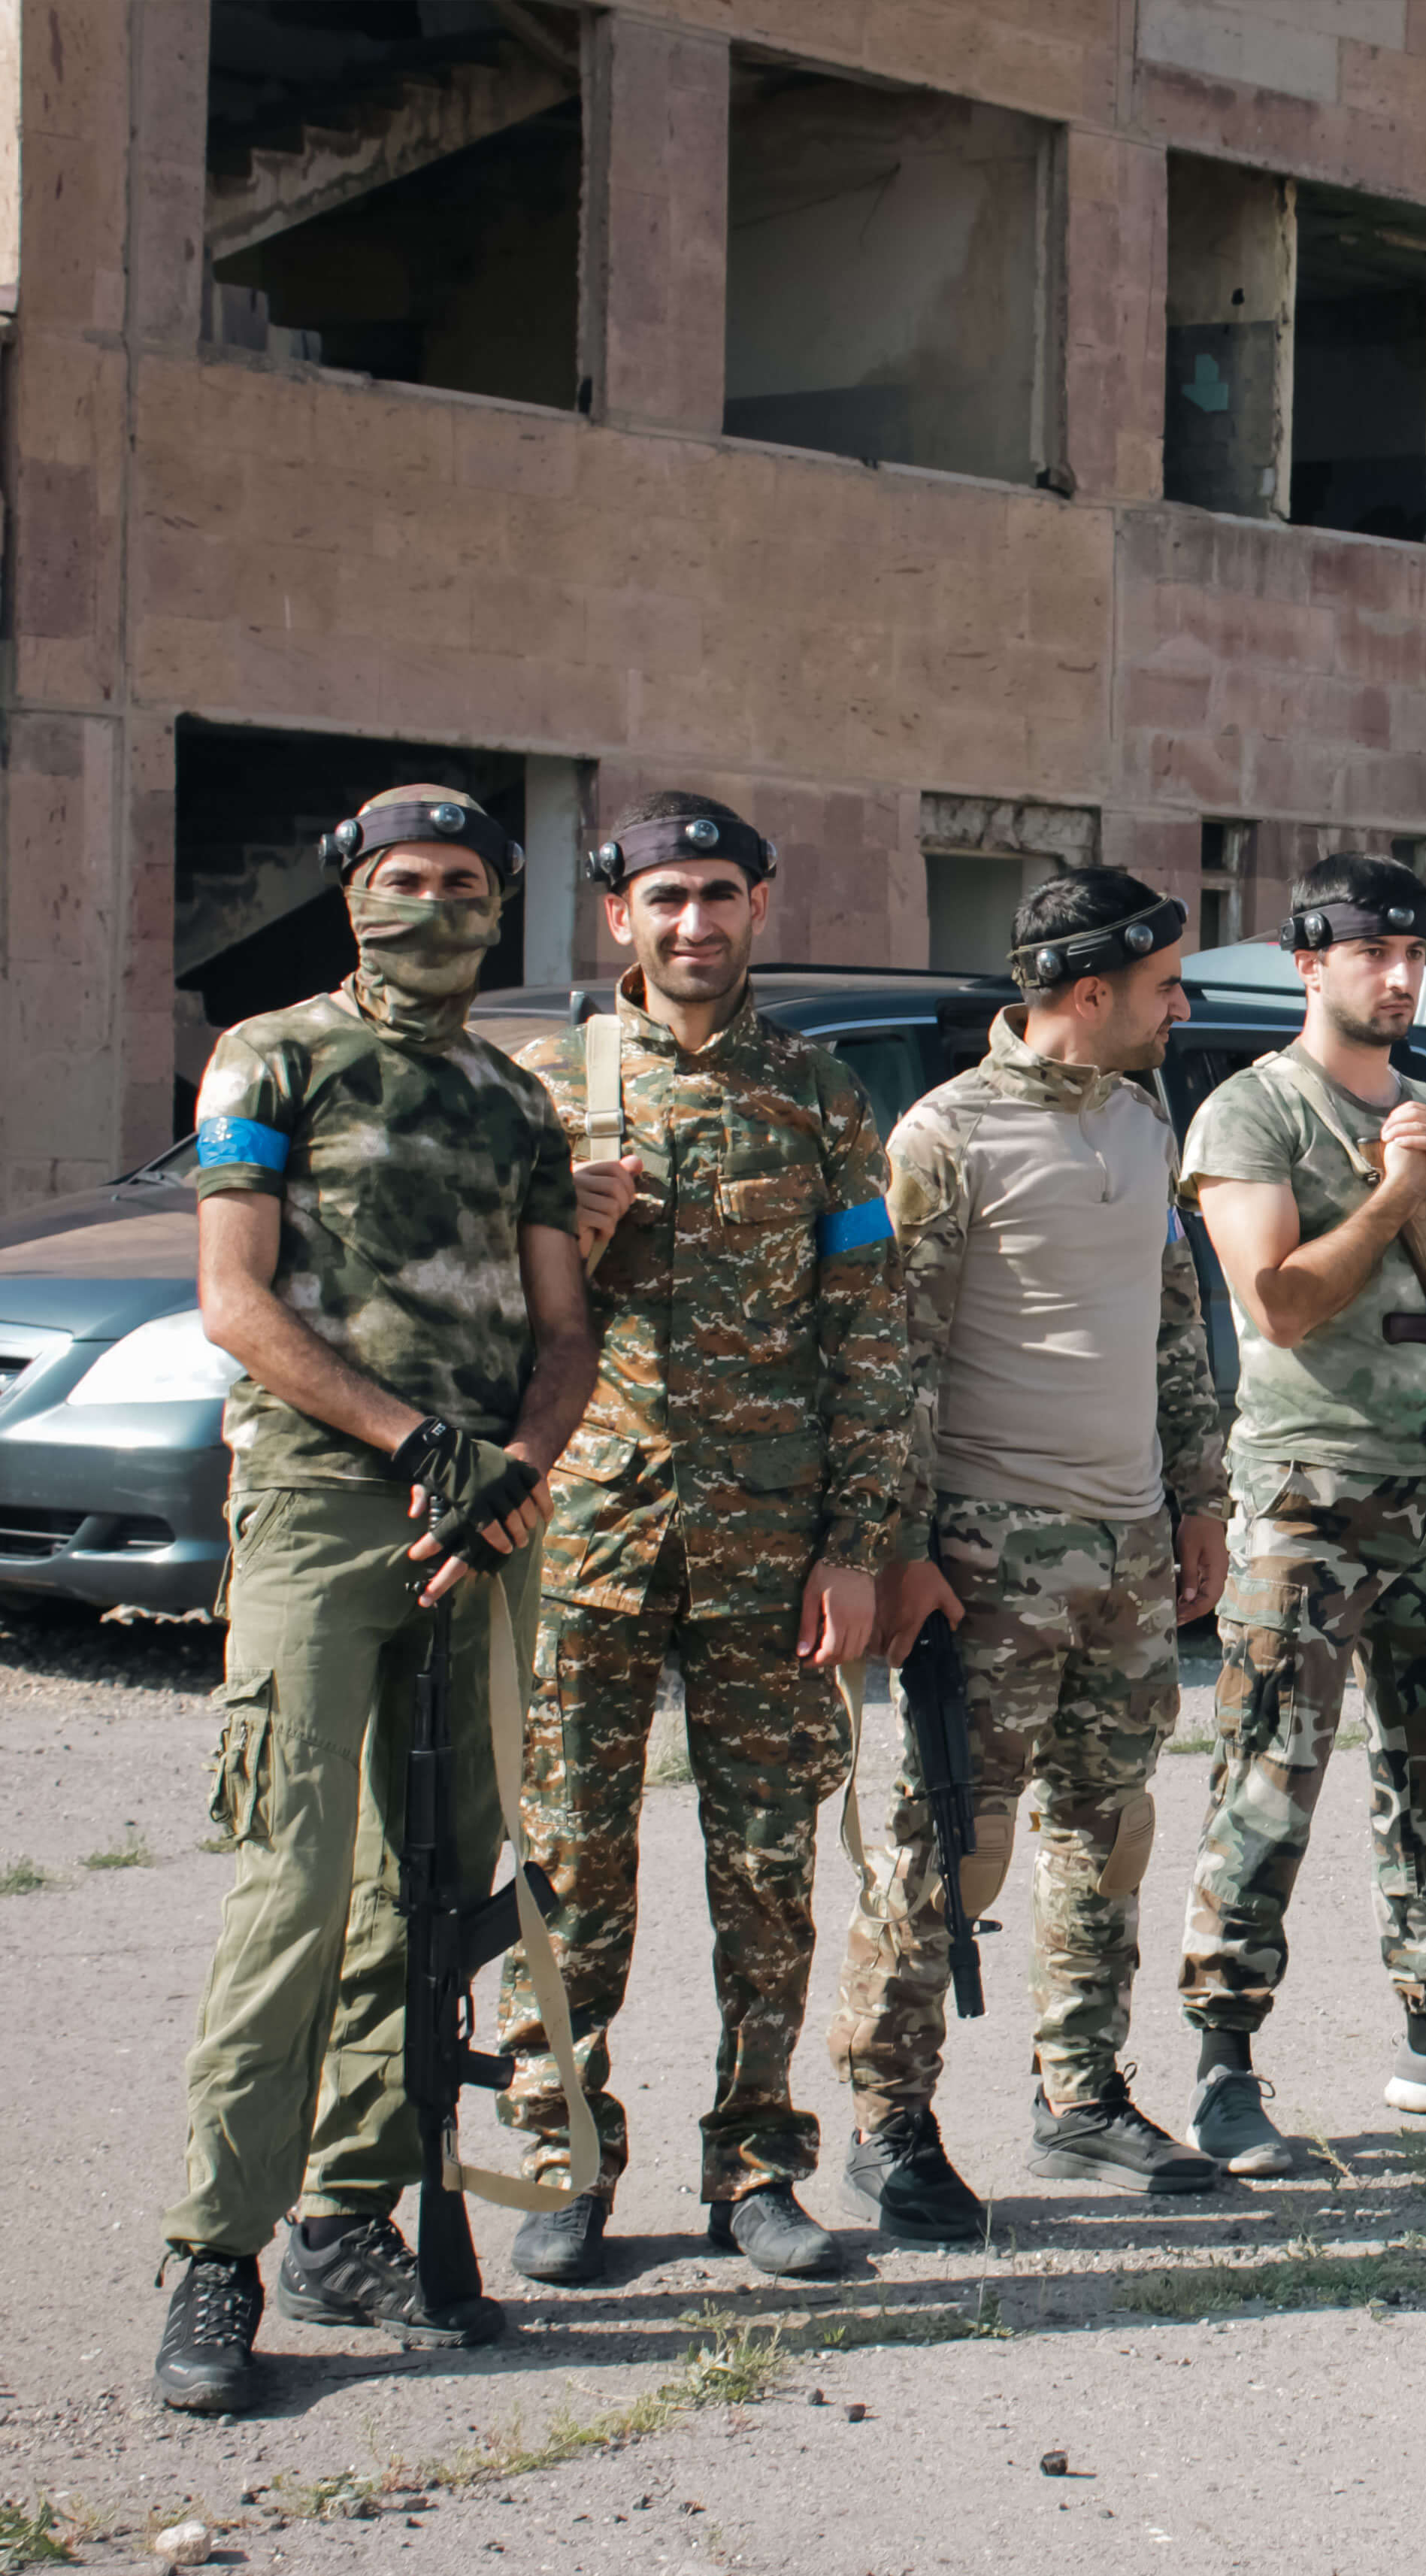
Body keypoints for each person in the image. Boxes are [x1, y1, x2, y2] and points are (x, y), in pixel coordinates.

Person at [156, 786, 595, 2414]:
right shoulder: (269, 1060)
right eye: (406, 881)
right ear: (354, 898)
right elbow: (232, 1298)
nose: (437, 907)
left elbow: (566, 1326)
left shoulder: (510, 1095)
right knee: (294, 1887)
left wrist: (513, 1468)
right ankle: (220, 2253)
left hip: (479, 1524)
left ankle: (353, 2217)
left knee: (433, 1895)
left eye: (467, 884)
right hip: (329, 1505)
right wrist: (418, 1443)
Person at [495, 794, 910, 2290]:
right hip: (590, 1541)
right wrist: (565, 1240)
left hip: (771, 1556)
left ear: (761, 905)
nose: (694, 924)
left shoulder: (817, 1097)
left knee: (766, 1870)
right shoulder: (546, 1096)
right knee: (569, 1869)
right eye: (666, 898)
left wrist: (859, 1545)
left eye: (720, 895)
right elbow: (476, 1341)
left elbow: (873, 1336)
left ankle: (755, 2163)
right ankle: (566, 2156)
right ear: (618, 916)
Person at [832, 871, 1234, 2238]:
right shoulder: (946, 1134)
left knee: (1107, 1833)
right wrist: (900, 1548)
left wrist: (1196, 1497)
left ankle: (1084, 2097)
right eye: (1163, 987)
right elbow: (898, 1356)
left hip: (1124, 1545)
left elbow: (1175, 1317)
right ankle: (888, 2120)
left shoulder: (1139, 1113)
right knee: (953, 1841)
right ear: (1086, 995)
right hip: (992, 1554)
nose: (1178, 1005)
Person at [1171, 855, 1426, 2143]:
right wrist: (1394, 1191)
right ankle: (1223, 2064)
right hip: (1308, 1496)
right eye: (1370, 954)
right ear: (1309, 964)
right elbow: (1274, 1299)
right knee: (1269, 1775)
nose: (1399, 977)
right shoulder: (1251, 1112)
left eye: (1412, 955)